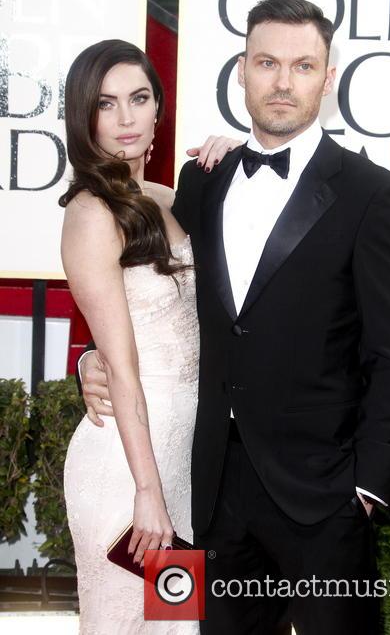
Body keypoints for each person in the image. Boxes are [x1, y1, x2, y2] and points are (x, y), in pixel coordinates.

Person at [80, 0, 390, 635]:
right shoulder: (203, 181)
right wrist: (91, 359)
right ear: (241, 70)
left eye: (303, 65)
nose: (283, 82)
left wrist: (368, 489)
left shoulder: (373, 195)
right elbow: (152, 292)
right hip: (209, 486)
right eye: (267, 62)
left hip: (325, 494)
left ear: (328, 76)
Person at [61, 39, 237, 634]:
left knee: (173, 626)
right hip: (126, 464)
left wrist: (237, 153)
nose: (126, 117)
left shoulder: (167, 201)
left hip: (178, 456)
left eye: (139, 98)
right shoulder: (91, 212)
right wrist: (146, 491)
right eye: (106, 104)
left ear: (159, 109)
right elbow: (125, 366)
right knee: (125, 625)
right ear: (85, 119)